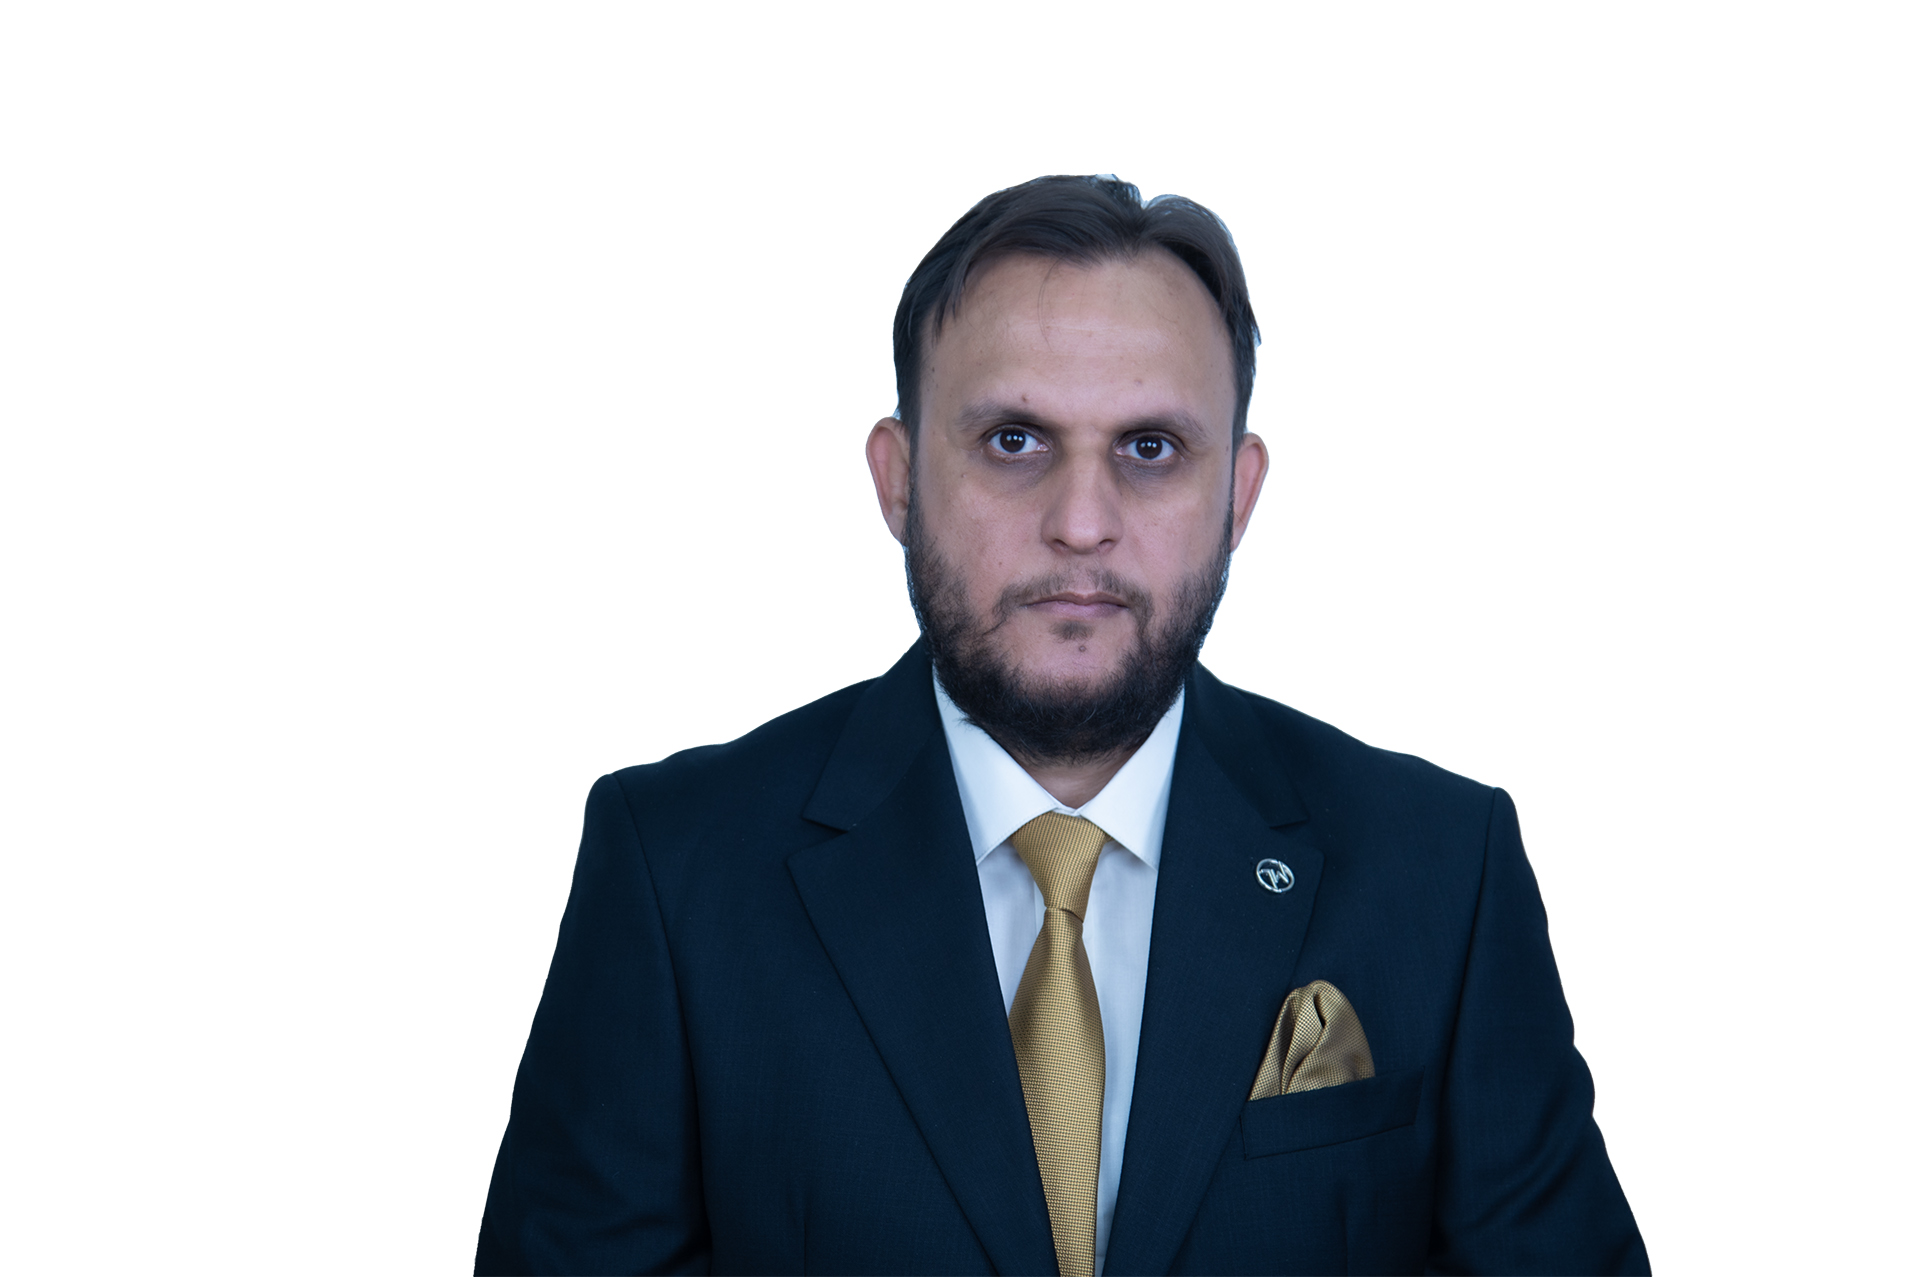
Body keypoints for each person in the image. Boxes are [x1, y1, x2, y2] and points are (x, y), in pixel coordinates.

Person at [475, 175, 1648, 1276]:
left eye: (1151, 448)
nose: (1082, 521)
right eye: (1014, 440)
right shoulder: (676, 870)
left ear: (1237, 495)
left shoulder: (1441, 871)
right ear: (897, 479)